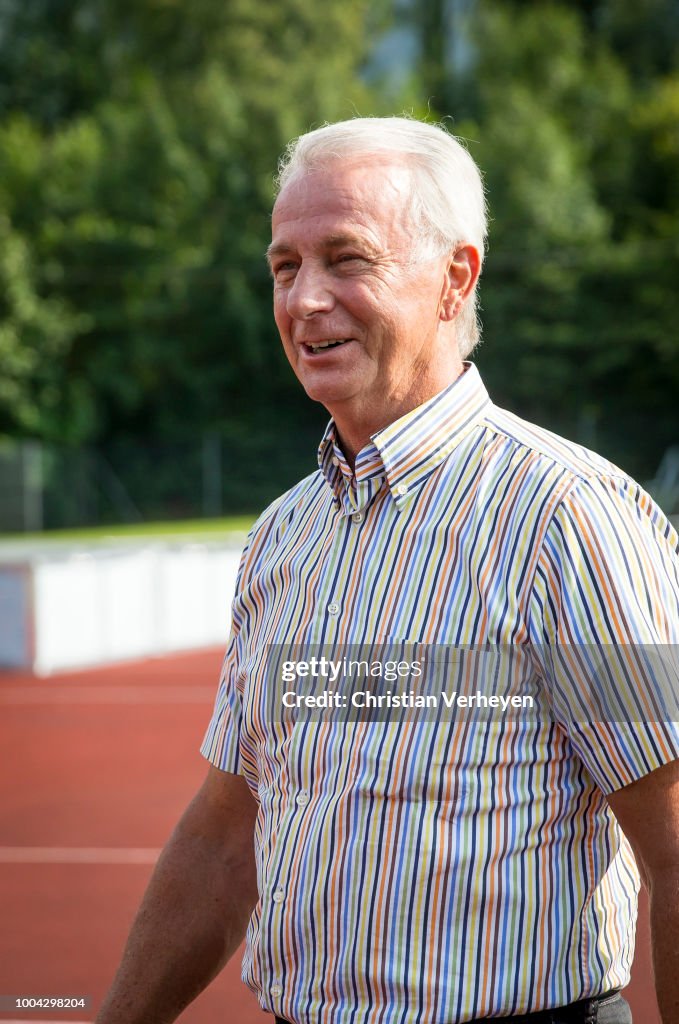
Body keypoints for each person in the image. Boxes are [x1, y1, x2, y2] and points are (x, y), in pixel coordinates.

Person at [96, 117, 679, 1024]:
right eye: (284, 267)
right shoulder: (283, 538)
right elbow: (226, 832)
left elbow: (676, 842)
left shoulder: (567, 517)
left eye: (347, 258)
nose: (305, 300)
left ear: (456, 278)